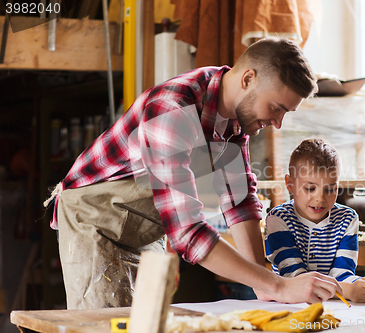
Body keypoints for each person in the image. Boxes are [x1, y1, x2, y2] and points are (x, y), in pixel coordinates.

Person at [44, 37, 342, 309]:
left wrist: (262, 285)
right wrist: (277, 284)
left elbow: (239, 202)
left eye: (285, 114)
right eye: (276, 108)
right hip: (96, 223)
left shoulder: (234, 120)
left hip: (140, 231)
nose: (277, 123)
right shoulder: (172, 110)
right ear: (249, 78)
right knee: (108, 328)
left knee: (148, 325)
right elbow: (188, 232)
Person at [264, 138, 365, 303]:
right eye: (310, 188)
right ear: (290, 184)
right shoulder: (278, 219)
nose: (320, 198)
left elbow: (342, 274)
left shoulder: (347, 219)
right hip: (289, 309)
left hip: (332, 306)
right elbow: (295, 278)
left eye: (330, 189)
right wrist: (346, 290)